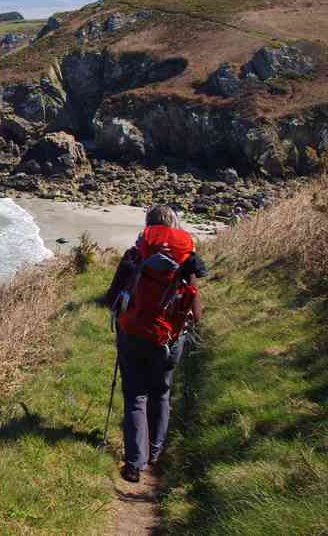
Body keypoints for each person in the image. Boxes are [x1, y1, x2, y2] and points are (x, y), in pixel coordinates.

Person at [106, 205, 206, 483]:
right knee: (161, 392)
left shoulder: (136, 255)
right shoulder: (187, 263)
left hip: (134, 333)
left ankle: (134, 464)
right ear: (175, 227)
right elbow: (196, 312)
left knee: (135, 395)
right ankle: (155, 453)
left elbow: (111, 297)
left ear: (148, 228)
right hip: (170, 338)